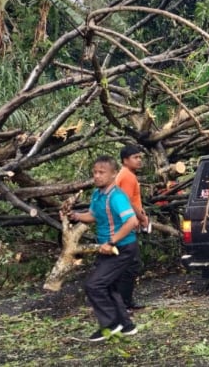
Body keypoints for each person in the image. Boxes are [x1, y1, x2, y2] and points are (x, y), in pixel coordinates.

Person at [68, 155, 140, 342]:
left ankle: (110, 324)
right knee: (109, 286)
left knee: (94, 285)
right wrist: (75, 216)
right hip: (108, 248)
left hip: (121, 248)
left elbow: (131, 221)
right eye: (95, 172)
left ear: (114, 174)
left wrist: (112, 242)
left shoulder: (116, 196)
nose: (97, 176)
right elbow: (92, 215)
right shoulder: (97, 195)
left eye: (102, 172)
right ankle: (126, 325)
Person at [115, 145, 150, 312]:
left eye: (140, 157)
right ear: (125, 160)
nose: (139, 160)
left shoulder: (125, 175)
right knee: (131, 264)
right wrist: (141, 218)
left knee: (128, 263)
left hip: (123, 224)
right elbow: (127, 201)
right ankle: (123, 303)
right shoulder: (127, 176)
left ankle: (125, 301)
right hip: (125, 225)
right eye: (135, 157)